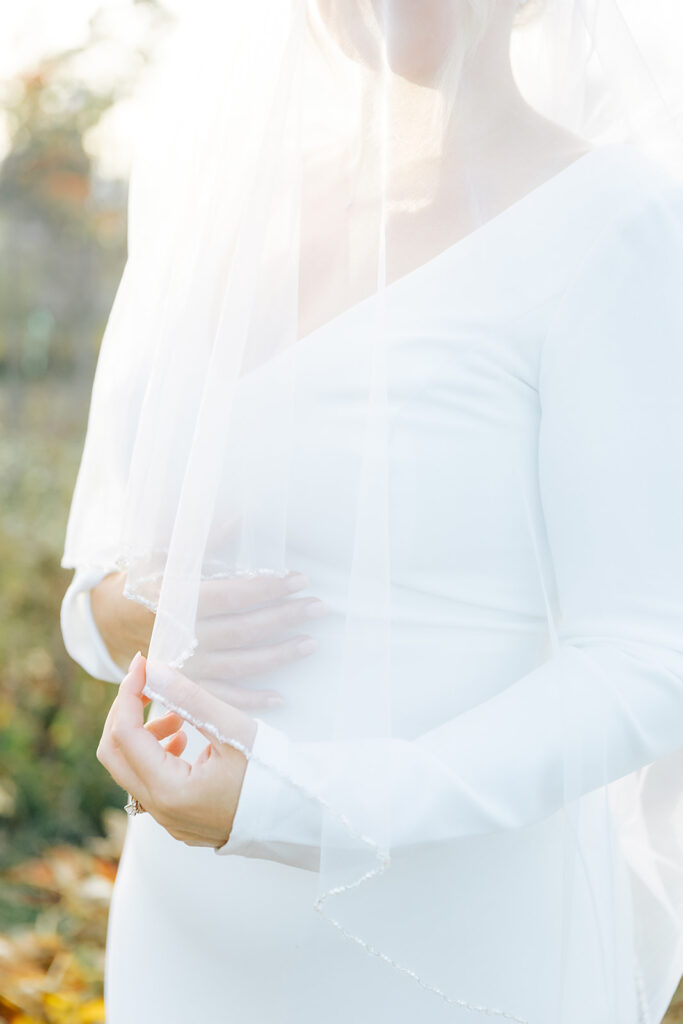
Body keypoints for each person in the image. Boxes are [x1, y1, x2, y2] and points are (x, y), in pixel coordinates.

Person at [61, 1, 683, 1021]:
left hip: (445, 947)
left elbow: (648, 657)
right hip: (184, 933)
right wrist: (118, 610)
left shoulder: (610, 221)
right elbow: (106, 577)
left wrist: (298, 803)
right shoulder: (225, 204)